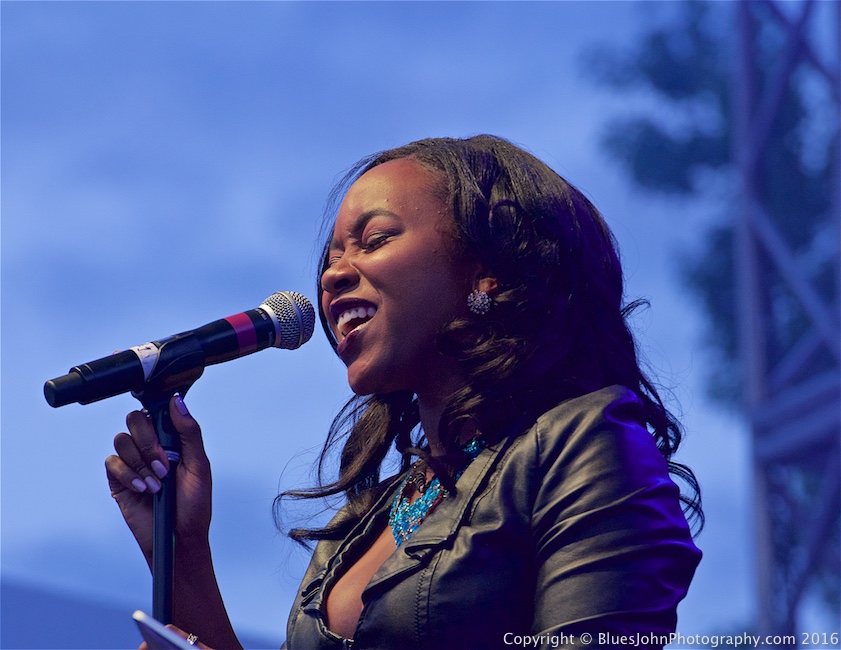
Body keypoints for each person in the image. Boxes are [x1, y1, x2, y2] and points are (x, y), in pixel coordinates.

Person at [106, 135, 703, 650]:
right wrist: (182, 551)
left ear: (485, 273)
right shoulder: (367, 520)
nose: (333, 273)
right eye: (334, 254)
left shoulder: (586, 443)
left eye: (374, 239)